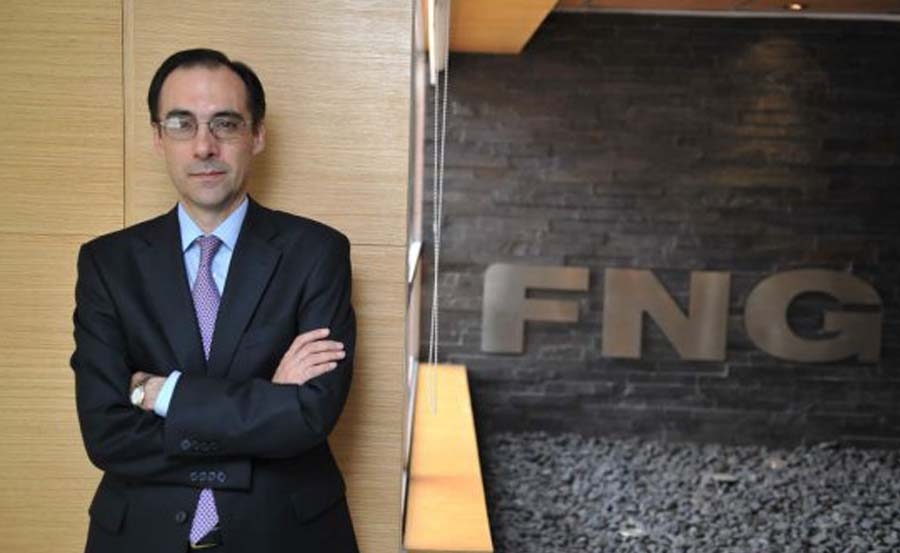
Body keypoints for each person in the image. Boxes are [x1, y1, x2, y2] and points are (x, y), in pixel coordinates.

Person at [70, 48, 358, 553]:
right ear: (158, 137)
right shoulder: (107, 264)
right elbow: (106, 434)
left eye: (225, 123)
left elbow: (310, 416)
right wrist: (267, 402)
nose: (204, 146)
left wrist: (163, 394)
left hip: (285, 534)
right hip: (142, 536)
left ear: (257, 135)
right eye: (182, 124)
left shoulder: (317, 253)